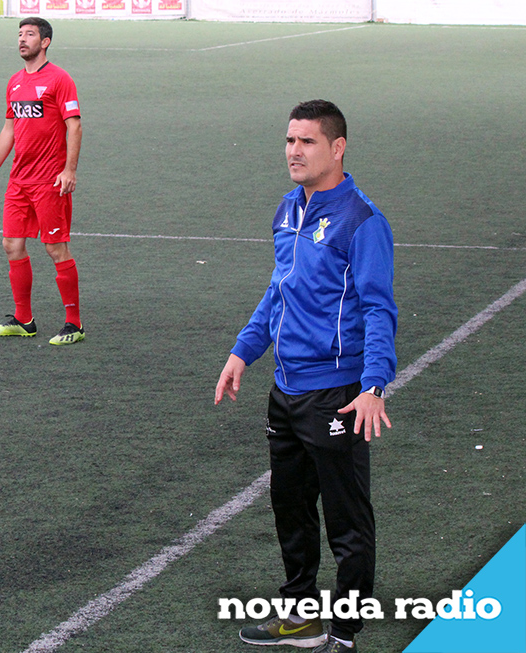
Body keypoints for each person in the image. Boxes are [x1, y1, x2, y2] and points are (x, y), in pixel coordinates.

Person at [214, 101, 397, 653]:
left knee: (347, 521)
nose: (294, 150)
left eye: (307, 141)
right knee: (290, 509)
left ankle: (344, 635)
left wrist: (372, 386)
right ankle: (300, 617)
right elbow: (279, 291)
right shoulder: (288, 209)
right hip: (286, 391)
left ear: (337, 148)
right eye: (290, 140)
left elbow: (378, 309)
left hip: (337, 395)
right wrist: (243, 353)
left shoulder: (362, 220)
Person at [0, 16, 85, 346]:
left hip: (49, 181)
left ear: (46, 42)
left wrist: (69, 170)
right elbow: (9, 129)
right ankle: (24, 320)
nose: (22, 40)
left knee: (55, 248)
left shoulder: (60, 79)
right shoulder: (14, 83)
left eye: (30, 35)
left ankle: (74, 324)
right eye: (20, 34)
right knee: (12, 244)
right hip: (19, 181)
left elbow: (74, 126)